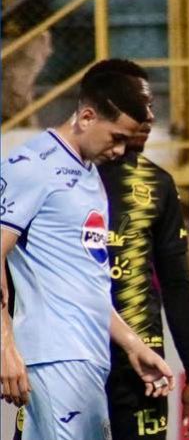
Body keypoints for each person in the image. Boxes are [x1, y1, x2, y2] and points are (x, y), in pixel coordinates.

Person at [0, 69, 175, 440]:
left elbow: (84, 281)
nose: (120, 151)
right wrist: (5, 347)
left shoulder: (88, 173)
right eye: (117, 138)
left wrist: (132, 344)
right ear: (87, 117)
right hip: (56, 357)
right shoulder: (33, 166)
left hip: (86, 357)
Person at [90, 59, 189, 439]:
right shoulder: (54, 174)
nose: (149, 117)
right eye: (139, 106)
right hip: (70, 358)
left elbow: (178, 282)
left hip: (142, 365)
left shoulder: (158, 184)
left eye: (152, 106)